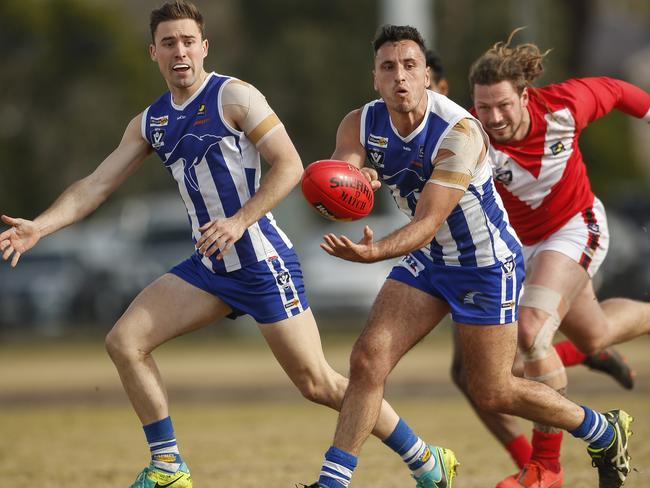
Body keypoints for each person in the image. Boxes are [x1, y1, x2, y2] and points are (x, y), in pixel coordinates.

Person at [0, 4, 439, 488]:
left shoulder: (235, 96)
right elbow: (97, 185)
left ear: (204, 47)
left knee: (318, 383)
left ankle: (425, 458)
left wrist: (239, 220)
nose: (180, 51)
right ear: (154, 53)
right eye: (169, 43)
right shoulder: (151, 122)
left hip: (261, 260)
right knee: (125, 342)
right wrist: (40, 227)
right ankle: (168, 467)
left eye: (188, 41)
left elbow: (289, 165)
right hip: (209, 267)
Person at [301, 24, 633, 488]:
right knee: (366, 361)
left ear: (426, 76)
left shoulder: (459, 131)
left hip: (484, 265)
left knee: (493, 390)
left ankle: (601, 428)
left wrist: (373, 252)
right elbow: (344, 171)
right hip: (432, 261)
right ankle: (333, 482)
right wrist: (354, 186)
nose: (400, 77)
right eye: (389, 67)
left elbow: (426, 224)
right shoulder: (359, 122)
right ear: (375, 77)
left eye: (410, 66)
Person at [425, 48, 636, 475]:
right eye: (484, 106)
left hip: (575, 227)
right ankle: (586, 355)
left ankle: (545, 469)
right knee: (593, 335)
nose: (495, 117)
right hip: (516, 247)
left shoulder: (564, 106)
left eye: (504, 105)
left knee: (530, 333)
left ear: (526, 95)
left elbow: (618, 92)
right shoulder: (470, 134)